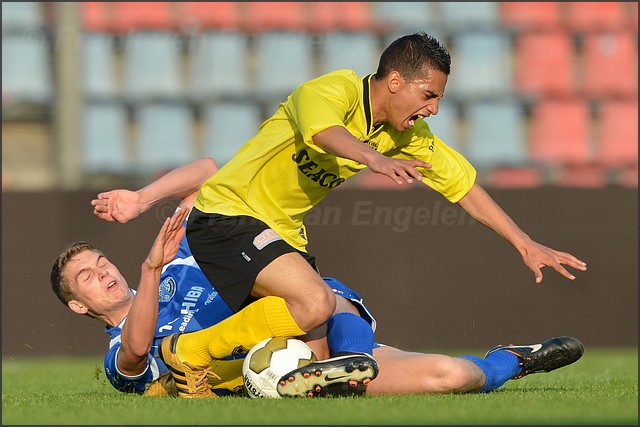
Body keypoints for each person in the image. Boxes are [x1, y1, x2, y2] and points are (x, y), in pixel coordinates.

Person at [122, 32, 587, 391]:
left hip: (282, 234)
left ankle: (172, 389)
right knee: (315, 303)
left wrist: (524, 243)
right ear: (396, 81)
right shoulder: (332, 90)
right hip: (228, 212)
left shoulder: (407, 136)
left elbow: (465, 189)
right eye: (429, 95)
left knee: (323, 374)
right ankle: (187, 351)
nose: (434, 108)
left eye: (440, 97)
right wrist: (374, 158)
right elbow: (325, 134)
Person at [81, 159, 584, 399]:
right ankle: (512, 362)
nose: (101, 270)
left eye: (99, 259)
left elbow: (210, 171)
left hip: (307, 327)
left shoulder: (180, 258)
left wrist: (143, 198)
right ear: (77, 307)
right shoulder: (118, 351)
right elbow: (136, 348)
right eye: (84, 276)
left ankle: (332, 368)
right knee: (452, 378)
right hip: (268, 370)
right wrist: (149, 271)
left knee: (317, 302)